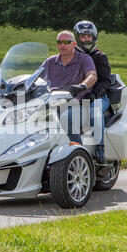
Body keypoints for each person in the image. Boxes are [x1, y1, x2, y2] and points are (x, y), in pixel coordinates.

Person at [40, 30, 98, 146]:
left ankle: (79, 153)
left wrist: (82, 85)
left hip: (78, 104)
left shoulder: (84, 59)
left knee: (67, 118)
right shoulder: (50, 62)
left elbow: (92, 75)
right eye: (59, 42)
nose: (62, 45)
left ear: (74, 44)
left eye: (67, 42)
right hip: (52, 103)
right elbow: (35, 78)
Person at [73, 21, 113, 163]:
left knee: (94, 110)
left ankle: (99, 148)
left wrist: (94, 94)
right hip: (74, 96)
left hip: (98, 97)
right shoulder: (70, 56)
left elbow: (105, 81)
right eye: (83, 36)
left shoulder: (100, 56)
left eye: (89, 36)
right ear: (77, 37)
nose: (87, 39)